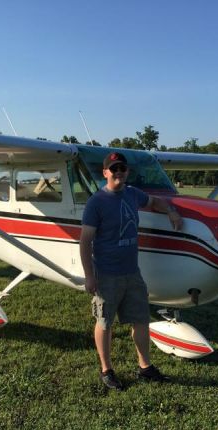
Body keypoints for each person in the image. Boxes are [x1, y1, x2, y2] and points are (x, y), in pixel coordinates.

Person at [79, 152, 183, 391]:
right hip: (107, 273)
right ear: (105, 173)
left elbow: (154, 201)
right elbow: (85, 241)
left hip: (132, 272)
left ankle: (145, 367)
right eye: (113, 169)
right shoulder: (97, 202)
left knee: (141, 320)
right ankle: (106, 370)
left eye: (122, 169)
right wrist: (89, 275)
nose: (118, 173)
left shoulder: (132, 194)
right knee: (105, 321)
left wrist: (171, 211)